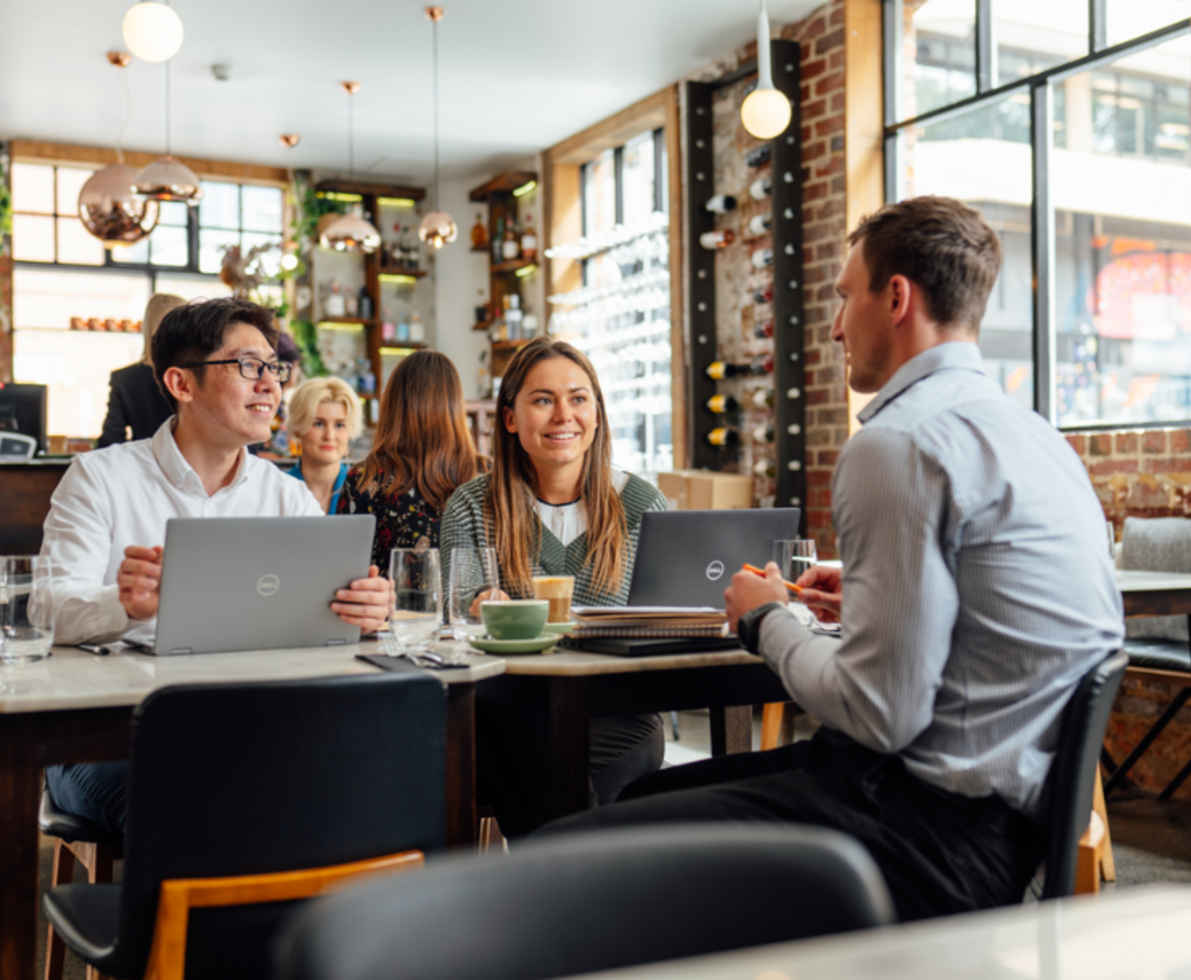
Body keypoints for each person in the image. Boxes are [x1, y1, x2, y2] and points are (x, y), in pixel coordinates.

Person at [539, 197, 1125, 921]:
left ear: (897, 297)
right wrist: (871, 592)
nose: (835, 324)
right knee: (640, 798)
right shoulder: (1033, 436)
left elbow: (877, 714)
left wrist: (768, 620)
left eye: (846, 297)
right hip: (1012, 827)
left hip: (919, 837)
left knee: (561, 857)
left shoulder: (896, 442)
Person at [38, 297, 391, 837]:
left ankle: (305, 923)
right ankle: (171, 925)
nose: (271, 385)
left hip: (251, 723)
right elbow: (46, 609)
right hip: (108, 734)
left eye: (273, 368)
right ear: (182, 384)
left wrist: (364, 612)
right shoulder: (99, 478)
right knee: (195, 800)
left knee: (355, 784)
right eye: (249, 366)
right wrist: (122, 604)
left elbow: (326, 623)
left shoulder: (288, 498)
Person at [440, 337, 668, 836]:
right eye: (543, 400)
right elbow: (457, 613)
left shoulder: (643, 504)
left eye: (578, 398)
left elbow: (666, 619)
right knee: (532, 743)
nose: (564, 414)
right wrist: (479, 605)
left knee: (547, 751)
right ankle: (589, 897)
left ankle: (554, 894)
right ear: (510, 418)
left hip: (614, 710)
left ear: (598, 414)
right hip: (502, 708)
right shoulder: (471, 506)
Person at [338, 350, 480, 575]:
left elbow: (345, 575)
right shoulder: (484, 474)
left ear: (393, 405)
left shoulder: (365, 479)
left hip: (391, 610)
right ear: (455, 406)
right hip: (476, 610)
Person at [97, 293, 186, 448]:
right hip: (189, 467)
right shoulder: (194, 375)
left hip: (142, 466)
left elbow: (110, 439)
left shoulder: (124, 379)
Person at [287, 377, 363, 514]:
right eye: (318, 424)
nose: (329, 436)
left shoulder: (365, 490)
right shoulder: (277, 489)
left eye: (339, 425)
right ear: (298, 429)